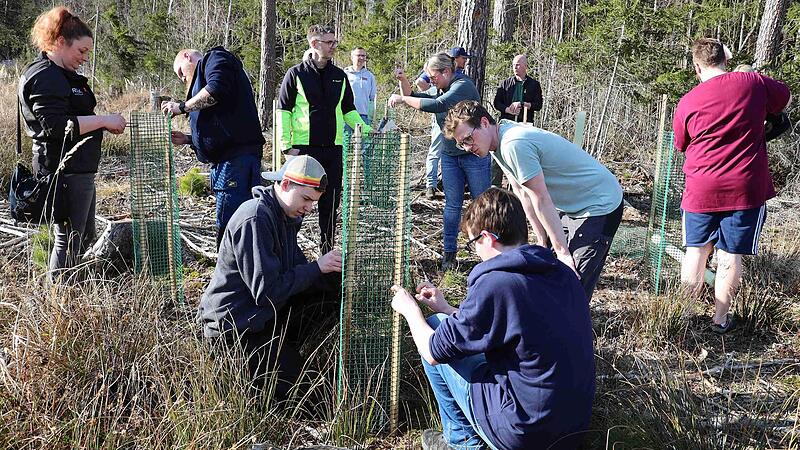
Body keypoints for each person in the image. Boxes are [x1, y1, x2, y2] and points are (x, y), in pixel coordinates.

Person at [390, 187, 595, 450]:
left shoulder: (498, 282)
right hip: (571, 431)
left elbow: (433, 350)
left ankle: (461, 442)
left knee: (432, 328)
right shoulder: (561, 274)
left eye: (473, 243)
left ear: (487, 238)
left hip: (525, 433)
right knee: (444, 323)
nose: (475, 252)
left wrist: (410, 310)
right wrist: (446, 307)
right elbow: (505, 325)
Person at [444, 101, 623, 300]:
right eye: (462, 143)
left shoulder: (513, 143)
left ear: (485, 123)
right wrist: (541, 241)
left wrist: (562, 252)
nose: (468, 147)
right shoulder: (497, 144)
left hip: (600, 204)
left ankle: (572, 325)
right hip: (572, 207)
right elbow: (524, 195)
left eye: (469, 138)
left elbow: (541, 197)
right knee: (551, 271)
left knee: (571, 283)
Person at [197, 155, 343, 395]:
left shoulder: (287, 214)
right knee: (313, 396)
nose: (309, 208)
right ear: (285, 184)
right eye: (306, 199)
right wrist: (317, 267)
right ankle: (257, 373)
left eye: (314, 202)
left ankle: (290, 352)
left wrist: (332, 272)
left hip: (265, 316)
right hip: (236, 329)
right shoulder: (255, 218)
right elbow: (267, 292)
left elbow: (297, 269)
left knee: (330, 283)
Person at [673, 38, 791, 333]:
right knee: (729, 254)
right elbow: (785, 100)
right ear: (726, 59)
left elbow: (681, 144)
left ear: (697, 67)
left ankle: (684, 317)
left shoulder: (688, 101)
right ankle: (720, 319)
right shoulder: (753, 83)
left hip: (701, 187)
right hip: (744, 188)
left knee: (696, 251)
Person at [19, 6, 126, 282]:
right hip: (62, 170)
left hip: (80, 168)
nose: (84, 58)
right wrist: (103, 120)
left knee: (84, 234)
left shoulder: (63, 75)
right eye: (81, 51)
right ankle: (60, 298)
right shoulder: (46, 76)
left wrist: (101, 122)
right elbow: (56, 126)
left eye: (88, 52)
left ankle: (71, 290)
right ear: (59, 42)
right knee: (69, 238)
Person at [391, 53, 490, 270]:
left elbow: (437, 105)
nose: (430, 80)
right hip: (450, 156)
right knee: (452, 205)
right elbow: (414, 95)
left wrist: (403, 100)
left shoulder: (462, 86)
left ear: (446, 72)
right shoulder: (443, 87)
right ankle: (449, 255)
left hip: (474, 155)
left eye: (432, 76)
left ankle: (489, 253)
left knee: (481, 204)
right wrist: (402, 82)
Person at [277, 25, 371, 253]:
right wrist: (286, 147)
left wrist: (368, 130)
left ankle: (326, 252)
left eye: (334, 42)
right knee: (295, 204)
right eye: (329, 42)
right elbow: (283, 111)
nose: (333, 47)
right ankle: (286, 251)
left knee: (330, 204)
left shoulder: (340, 76)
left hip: (333, 150)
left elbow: (348, 110)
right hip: (303, 151)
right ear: (314, 44)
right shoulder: (296, 74)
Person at [161, 47, 265, 246]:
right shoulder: (206, 74)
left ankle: (229, 275)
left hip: (235, 163)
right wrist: (189, 139)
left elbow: (216, 90)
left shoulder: (215, 58)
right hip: (227, 163)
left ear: (187, 56)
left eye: (181, 72)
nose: (183, 79)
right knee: (236, 226)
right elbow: (224, 126)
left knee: (231, 227)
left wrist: (181, 107)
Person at [415, 47, 471, 199]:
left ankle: (458, 183)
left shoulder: (461, 76)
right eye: (463, 58)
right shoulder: (440, 67)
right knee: (436, 150)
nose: (465, 61)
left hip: (457, 122)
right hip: (441, 117)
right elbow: (420, 81)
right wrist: (432, 91)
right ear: (455, 58)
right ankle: (430, 185)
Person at [492, 54, 542, 124]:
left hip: (525, 124)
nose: (515, 67)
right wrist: (508, 110)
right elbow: (497, 103)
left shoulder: (534, 84)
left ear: (525, 66)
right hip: (506, 123)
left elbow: (538, 105)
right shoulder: (505, 83)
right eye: (513, 65)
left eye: (517, 65)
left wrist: (522, 104)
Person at [344, 47, 377, 128]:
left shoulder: (369, 76)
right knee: (346, 140)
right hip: (347, 115)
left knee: (364, 140)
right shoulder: (344, 74)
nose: (361, 58)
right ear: (352, 57)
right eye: (358, 55)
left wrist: (371, 116)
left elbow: (372, 98)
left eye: (363, 56)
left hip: (364, 116)